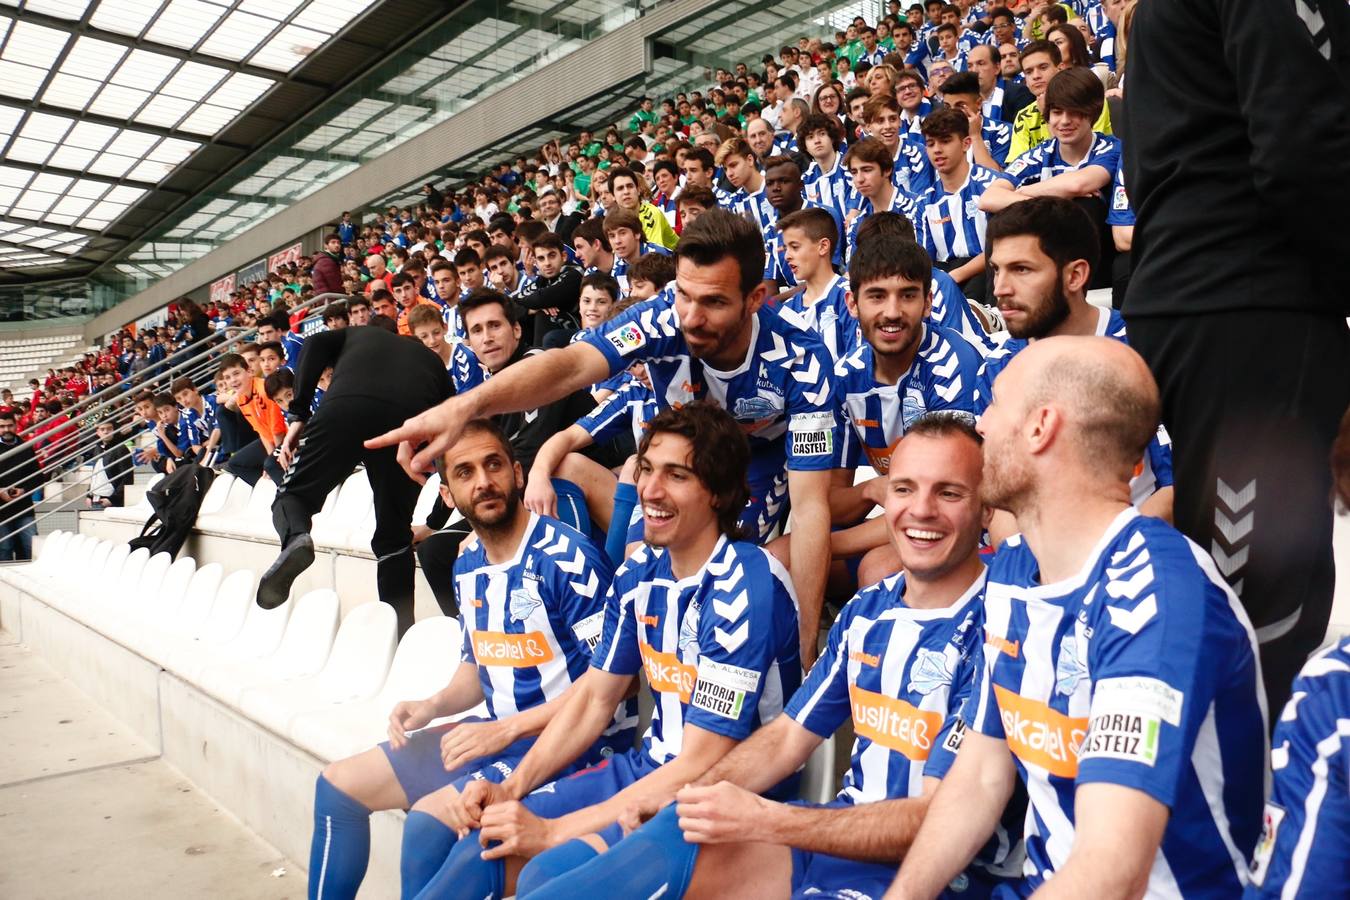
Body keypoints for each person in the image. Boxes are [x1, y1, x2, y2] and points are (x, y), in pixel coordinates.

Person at [519, 415, 1019, 900]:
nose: (921, 510)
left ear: (987, 507)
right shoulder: (868, 611)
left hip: (943, 875)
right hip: (825, 844)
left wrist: (768, 819)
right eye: (904, 489)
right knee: (559, 878)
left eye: (949, 492)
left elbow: (938, 819)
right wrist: (681, 799)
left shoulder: (1004, 625)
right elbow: (785, 738)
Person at [369, 210, 840, 668]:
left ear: (756, 297)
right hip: (675, 465)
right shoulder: (660, 318)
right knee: (639, 571)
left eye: (714, 302)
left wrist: (805, 644)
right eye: (684, 296)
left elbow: (812, 504)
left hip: (757, 463)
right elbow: (570, 366)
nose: (691, 318)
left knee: (707, 571)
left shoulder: (803, 359)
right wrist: (468, 405)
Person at [886, 335, 1267, 899]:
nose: (982, 425)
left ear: (1041, 426)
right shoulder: (1015, 570)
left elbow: (1111, 871)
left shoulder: (1155, 596)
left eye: (993, 402)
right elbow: (981, 776)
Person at [402, 403, 803, 899]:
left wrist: (550, 832)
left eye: (676, 475)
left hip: (724, 795)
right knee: (482, 847)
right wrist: (513, 788)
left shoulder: (746, 581)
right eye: (648, 471)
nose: (650, 491)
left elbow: (701, 760)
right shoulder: (639, 576)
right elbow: (594, 699)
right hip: (648, 769)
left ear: (718, 493)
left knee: (546, 881)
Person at [1123, 0, 1350, 718]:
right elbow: (1304, 150)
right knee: (1258, 608)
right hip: (1244, 302)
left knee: (1257, 584)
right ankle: (1237, 818)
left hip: (1212, 297)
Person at [305, 418, 630, 900]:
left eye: (494, 465)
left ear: (518, 475)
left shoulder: (568, 558)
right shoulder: (467, 562)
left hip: (571, 743)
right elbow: (477, 666)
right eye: (464, 472)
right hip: (496, 733)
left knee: (426, 826)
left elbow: (613, 684)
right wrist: (432, 705)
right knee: (337, 788)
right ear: (447, 494)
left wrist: (506, 730)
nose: (483, 482)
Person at [974, 198, 1173, 532]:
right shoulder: (996, 369)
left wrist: (1089, 561)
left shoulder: (1142, 349)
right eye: (996, 270)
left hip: (1131, 548)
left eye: (1021, 269)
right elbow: (1000, 504)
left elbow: (1175, 486)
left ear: (1076, 275)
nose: (1000, 289)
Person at [255, 326, 451, 634]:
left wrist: (298, 415)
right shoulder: (434, 363)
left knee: (293, 497)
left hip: (347, 407)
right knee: (394, 539)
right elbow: (450, 437)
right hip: (405, 429)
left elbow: (315, 342)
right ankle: (401, 635)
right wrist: (437, 519)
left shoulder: (361, 333)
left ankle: (296, 538)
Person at [915, 106, 1007, 301]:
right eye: (930, 144)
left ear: (966, 144)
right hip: (947, 275)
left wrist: (955, 276)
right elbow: (926, 262)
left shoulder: (990, 185)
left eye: (946, 141)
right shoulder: (925, 203)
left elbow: (1003, 248)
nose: (937, 150)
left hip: (988, 271)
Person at [0, 410, 39, 560]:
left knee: (30, 546)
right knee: (4, 549)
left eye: (10, 426)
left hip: (23, 507)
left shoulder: (25, 447)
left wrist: (24, 490)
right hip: (1, 510)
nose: (6, 430)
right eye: (2, 426)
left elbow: (36, 476)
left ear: (16, 426)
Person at [85, 419, 133, 510]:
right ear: (98, 432)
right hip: (96, 499)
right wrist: (89, 495)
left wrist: (113, 499)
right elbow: (96, 474)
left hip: (110, 500)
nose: (106, 432)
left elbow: (127, 477)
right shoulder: (97, 449)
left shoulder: (121, 449)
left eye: (109, 429)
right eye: (102, 429)